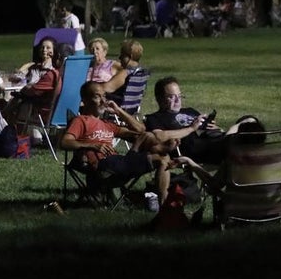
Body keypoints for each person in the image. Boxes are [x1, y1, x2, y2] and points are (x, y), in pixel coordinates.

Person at [62, 82, 203, 208]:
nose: (103, 101)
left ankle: (163, 205)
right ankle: (153, 150)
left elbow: (140, 129)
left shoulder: (107, 124)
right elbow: (65, 142)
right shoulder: (81, 121)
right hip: (104, 166)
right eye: (97, 97)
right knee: (151, 144)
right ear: (85, 101)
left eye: (104, 96)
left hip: (119, 164)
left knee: (161, 157)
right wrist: (91, 146)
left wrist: (119, 111)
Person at [144, 76, 228, 166]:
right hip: (193, 151)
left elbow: (205, 128)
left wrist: (214, 128)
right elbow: (159, 136)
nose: (177, 100)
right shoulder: (154, 118)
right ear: (159, 99)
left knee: (242, 127)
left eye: (179, 96)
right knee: (236, 143)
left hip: (214, 141)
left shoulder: (190, 110)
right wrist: (191, 128)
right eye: (172, 97)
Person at [4, 36, 61, 132]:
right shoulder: (33, 67)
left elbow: (32, 90)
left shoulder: (52, 73)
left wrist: (26, 87)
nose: (44, 50)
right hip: (29, 97)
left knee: (14, 101)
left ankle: (6, 128)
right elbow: (13, 78)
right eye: (42, 47)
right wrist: (21, 72)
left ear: (53, 52)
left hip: (37, 104)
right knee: (10, 99)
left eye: (48, 48)